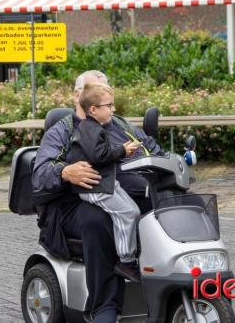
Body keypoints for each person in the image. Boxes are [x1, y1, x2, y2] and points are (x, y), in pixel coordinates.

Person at [32, 70, 163, 322]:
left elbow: (154, 150)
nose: (106, 102)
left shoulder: (123, 126)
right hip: (74, 203)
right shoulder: (63, 131)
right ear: (79, 96)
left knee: (164, 206)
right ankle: (104, 306)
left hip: (122, 195)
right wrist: (65, 172)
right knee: (97, 219)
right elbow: (40, 175)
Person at [71, 82, 142, 282]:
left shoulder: (95, 127)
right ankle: (126, 262)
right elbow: (98, 156)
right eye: (109, 106)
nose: (113, 110)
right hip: (94, 186)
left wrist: (122, 149)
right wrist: (123, 150)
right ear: (93, 110)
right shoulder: (89, 129)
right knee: (127, 213)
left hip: (105, 181)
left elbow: (102, 154)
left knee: (134, 211)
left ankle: (131, 255)